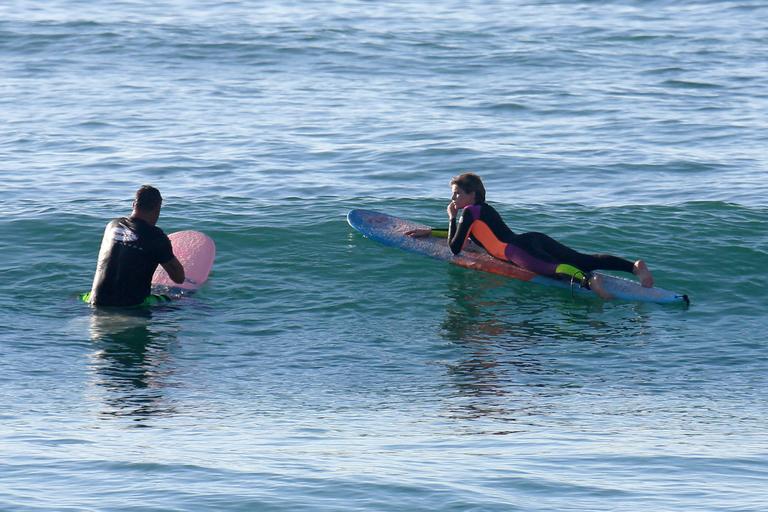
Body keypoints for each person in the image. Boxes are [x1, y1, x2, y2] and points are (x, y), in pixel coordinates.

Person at [407, 173, 654, 299]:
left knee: (552, 269)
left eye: (457, 194)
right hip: (531, 239)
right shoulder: (482, 210)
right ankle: (634, 267)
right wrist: (431, 231)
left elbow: (455, 247)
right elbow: (463, 236)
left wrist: (450, 217)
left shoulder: (467, 213)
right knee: (584, 257)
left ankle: (589, 282)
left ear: (472, 195)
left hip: (516, 252)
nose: (453, 199)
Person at [85, 185, 185, 307]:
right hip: (131, 307)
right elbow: (179, 278)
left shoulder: (111, 226)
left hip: (96, 300)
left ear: (133, 204)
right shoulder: (156, 236)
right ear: (157, 209)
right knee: (181, 299)